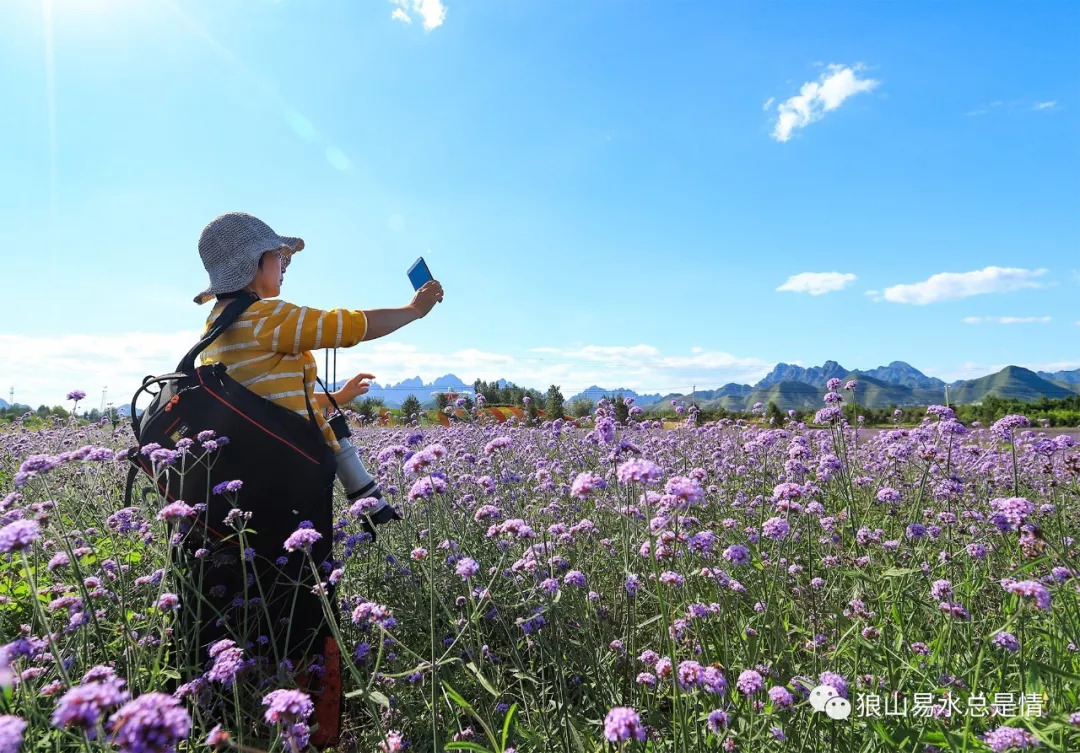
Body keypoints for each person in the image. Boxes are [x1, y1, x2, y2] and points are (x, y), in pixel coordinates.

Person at [189, 211, 444, 747]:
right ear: (255, 264)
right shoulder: (266, 316)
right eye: (279, 257)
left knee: (252, 606)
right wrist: (414, 310)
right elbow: (347, 325)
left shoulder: (216, 330)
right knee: (303, 604)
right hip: (288, 493)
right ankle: (306, 725)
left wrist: (337, 398)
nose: (284, 266)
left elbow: (265, 409)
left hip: (241, 499)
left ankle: (241, 716)